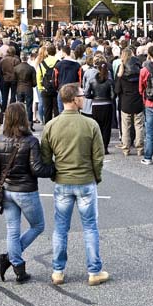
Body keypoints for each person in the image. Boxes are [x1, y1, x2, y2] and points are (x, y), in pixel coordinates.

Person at [40, 83, 109, 287]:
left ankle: (58, 271)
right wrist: (97, 176)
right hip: (86, 180)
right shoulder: (90, 124)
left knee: (60, 228)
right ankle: (94, 271)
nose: (84, 97)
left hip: (63, 180)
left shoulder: (51, 125)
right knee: (90, 227)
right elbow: (98, 156)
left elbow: (45, 157)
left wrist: (56, 172)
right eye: (81, 95)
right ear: (74, 99)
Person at [0, 102, 52, 284]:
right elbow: (37, 169)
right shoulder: (31, 141)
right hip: (26, 191)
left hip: (7, 191)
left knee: (12, 230)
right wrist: (54, 169)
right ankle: (10, 258)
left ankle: (17, 266)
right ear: (23, 118)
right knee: (38, 226)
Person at [114, 49, 144, 157]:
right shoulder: (139, 69)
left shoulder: (121, 70)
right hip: (138, 100)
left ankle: (126, 148)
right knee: (139, 126)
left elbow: (117, 90)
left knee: (125, 126)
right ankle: (140, 148)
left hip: (126, 101)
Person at [87, 61, 115, 154]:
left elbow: (87, 94)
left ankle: (97, 147)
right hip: (107, 105)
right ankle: (105, 147)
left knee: (97, 127)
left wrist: (94, 97)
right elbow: (112, 95)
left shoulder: (92, 80)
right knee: (106, 128)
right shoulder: (109, 81)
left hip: (96, 105)